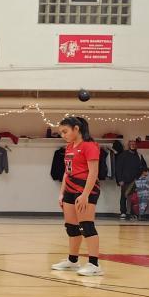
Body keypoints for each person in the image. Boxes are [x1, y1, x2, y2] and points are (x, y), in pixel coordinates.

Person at [51, 115, 103, 277]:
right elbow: (67, 172)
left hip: (86, 190)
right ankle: (73, 261)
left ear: (76, 129)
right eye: (61, 132)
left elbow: (93, 172)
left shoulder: (90, 146)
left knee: (86, 225)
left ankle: (94, 264)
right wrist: (61, 193)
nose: (63, 135)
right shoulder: (69, 147)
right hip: (70, 190)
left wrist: (85, 194)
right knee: (71, 227)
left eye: (65, 131)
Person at [113, 139, 148, 221]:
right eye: (131, 144)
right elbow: (118, 168)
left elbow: (144, 167)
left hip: (136, 180)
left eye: (134, 144)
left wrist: (143, 174)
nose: (132, 145)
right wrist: (120, 180)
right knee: (123, 196)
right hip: (124, 180)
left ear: (136, 146)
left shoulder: (139, 155)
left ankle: (133, 213)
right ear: (128, 145)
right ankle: (123, 212)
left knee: (134, 198)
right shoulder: (122, 155)